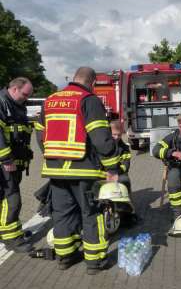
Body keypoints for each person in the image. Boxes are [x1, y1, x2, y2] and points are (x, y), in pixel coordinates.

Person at [37, 67, 121, 274]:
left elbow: (40, 135)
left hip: (56, 171)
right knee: (91, 213)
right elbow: (101, 138)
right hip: (84, 171)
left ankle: (66, 257)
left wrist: (53, 156)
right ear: (92, 82)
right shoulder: (89, 100)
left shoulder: (50, 100)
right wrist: (111, 167)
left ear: (74, 79)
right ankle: (95, 262)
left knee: (62, 214)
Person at [0, 77, 34, 252]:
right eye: (24, 94)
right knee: (12, 199)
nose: (26, 98)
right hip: (5, 163)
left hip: (14, 162)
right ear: (14, 89)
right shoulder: (2, 103)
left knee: (4, 198)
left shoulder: (17, 104)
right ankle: (12, 239)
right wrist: (5, 158)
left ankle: (8, 231)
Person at [110, 120, 132, 191]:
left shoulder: (124, 148)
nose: (116, 137)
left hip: (120, 173)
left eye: (119, 135)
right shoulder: (103, 146)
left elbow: (126, 164)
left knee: (125, 180)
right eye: (114, 134)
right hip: (105, 174)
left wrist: (117, 172)